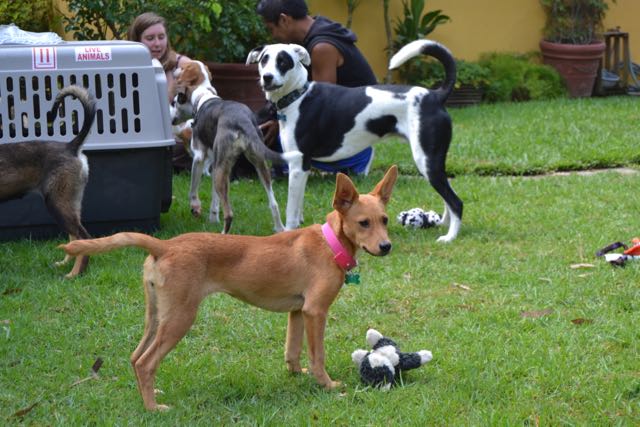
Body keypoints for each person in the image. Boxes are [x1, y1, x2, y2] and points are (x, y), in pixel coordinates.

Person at [256, 0, 377, 175]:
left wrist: (281, 122)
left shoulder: (322, 48)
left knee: (278, 134)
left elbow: (320, 108)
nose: (272, 36)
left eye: (271, 29)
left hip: (354, 132)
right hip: (343, 120)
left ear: (284, 20)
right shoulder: (314, 31)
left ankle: (354, 160)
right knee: (263, 123)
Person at [128, 12, 193, 171]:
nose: (157, 44)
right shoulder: (129, 70)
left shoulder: (182, 65)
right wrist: (170, 92)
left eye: (161, 37)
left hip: (182, 138)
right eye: (150, 38)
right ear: (137, 40)